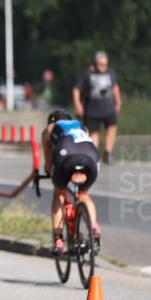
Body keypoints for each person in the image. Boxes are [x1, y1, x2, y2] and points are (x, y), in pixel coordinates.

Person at [42, 110, 101, 255]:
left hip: (66, 155)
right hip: (91, 157)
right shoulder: (81, 127)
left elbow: (48, 163)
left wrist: (48, 170)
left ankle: (58, 239)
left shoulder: (50, 128)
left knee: (59, 193)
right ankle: (93, 228)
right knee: (84, 195)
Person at [73, 51, 121, 164]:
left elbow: (115, 87)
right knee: (94, 133)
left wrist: (118, 102)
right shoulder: (87, 73)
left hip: (109, 108)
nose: (103, 67)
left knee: (112, 128)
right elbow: (76, 89)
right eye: (101, 65)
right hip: (92, 109)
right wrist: (78, 104)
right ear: (95, 63)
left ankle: (108, 153)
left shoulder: (110, 72)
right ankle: (94, 155)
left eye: (105, 64)